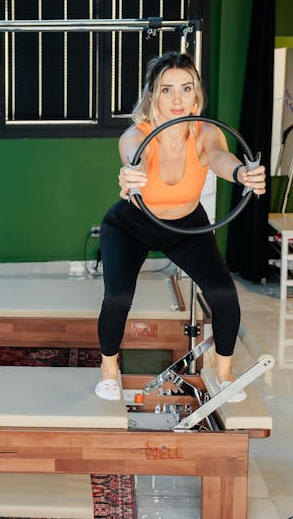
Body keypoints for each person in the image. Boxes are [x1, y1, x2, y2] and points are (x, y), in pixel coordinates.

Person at [94, 51, 267, 401]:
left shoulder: (205, 133)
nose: (177, 99)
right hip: (131, 224)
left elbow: (220, 157)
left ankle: (224, 372)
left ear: (197, 94)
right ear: (152, 95)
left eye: (186, 89)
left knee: (222, 294)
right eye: (167, 90)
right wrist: (131, 173)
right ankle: (109, 369)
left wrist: (241, 174)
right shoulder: (136, 134)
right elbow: (134, 157)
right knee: (118, 297)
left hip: (186, 224)